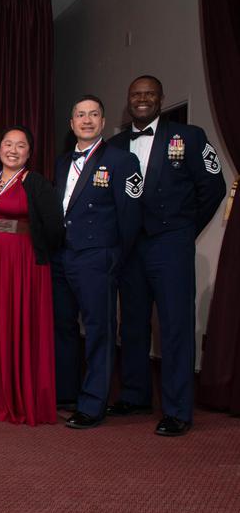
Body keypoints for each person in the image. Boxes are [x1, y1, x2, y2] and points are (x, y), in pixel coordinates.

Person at [107, 75, 226, 436]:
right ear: (128, 101)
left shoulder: (189, 137)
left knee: (174, 326)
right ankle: (135, 394)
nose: (142, 99)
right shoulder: (114, 145)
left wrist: (184, 229)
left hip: (169, 245)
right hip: (131, 248)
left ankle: (177, 410)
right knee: (132, 324)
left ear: (161, 98)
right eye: (136, 94)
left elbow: (214, 185)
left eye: (149, 94)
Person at [52, 95, 142, 429]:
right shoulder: (62, 162)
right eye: (80, 115)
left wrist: (113, 255)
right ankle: (67, 392)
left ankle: (92, 404)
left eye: (93, 115)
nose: (87, 120)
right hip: (62, 256)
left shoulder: (122, 160)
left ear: (103, 122)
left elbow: (130, 217)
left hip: (96, 257)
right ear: (71, 123)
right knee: (62, 326)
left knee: (98, 331)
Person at [0, 125, 63, 425]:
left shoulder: (37, 183)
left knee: (18, 326)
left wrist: (33, 259)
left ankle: (19, 398)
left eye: (20, 146)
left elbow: (54, 229)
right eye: (8, 144)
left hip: (22, 264)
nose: (13, 150)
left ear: (29, 153)